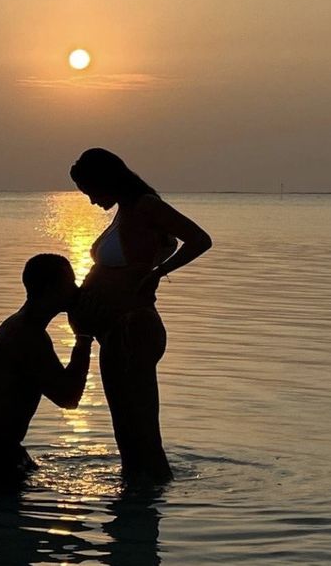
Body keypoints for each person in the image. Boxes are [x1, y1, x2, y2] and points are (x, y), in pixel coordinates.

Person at [69, 148, 212, 483]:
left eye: (91, 191)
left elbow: (199, 239)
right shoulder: (126, 211)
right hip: (114, 330)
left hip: (134, 325)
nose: (91, 201)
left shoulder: (146, 206)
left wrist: (158, 273)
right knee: (126, 427)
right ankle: (135, 499)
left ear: (107, 180)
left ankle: (149, 495)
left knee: (140, 426)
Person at [0, 253, 93, 491]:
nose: (75, 290)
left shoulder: (23, 327)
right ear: (52, 288)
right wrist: (84, 338)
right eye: (70, 283)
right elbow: (69, 398)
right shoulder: (27, 335)